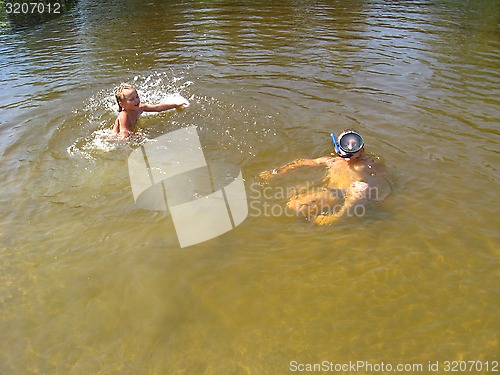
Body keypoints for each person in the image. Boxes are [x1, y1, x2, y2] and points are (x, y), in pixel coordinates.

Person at [259, 130, 388, 225]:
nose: (350, 148)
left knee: (360, 187)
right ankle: (308, 221)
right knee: (293, 206)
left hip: (353, 195)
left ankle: (338, 217)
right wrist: (277, 172)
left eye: (355, 146)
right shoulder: (332, 161)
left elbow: (379, 180)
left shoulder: (369, 164)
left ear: (362, 150)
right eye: (346, 145)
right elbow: (304, 162)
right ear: (337, 148)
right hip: (333, 193)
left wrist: (375, 200)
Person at [112, 84, 188, 139]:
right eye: (132, 99)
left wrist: (175, 105)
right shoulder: (124, 115)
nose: (137, 100)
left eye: (137, 97)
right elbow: (123, 133)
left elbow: (158, 107)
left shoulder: (140, 108)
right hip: (114, 137)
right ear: (122, 104)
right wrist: (136, 137)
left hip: (130, 131)